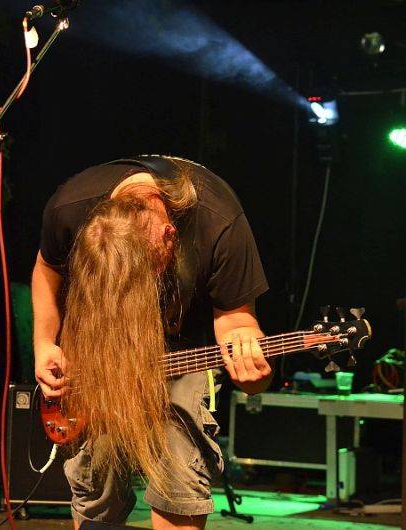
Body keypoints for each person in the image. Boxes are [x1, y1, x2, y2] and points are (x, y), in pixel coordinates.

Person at [31, 155, 272, 530]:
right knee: (97, 482)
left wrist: (249, 366)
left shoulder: (219, 221)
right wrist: (45, 343)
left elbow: (236, 318)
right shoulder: (70, 207)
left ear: (169, 237)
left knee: (180, 473)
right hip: (101, 344)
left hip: (182, 353)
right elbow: (46, 269)